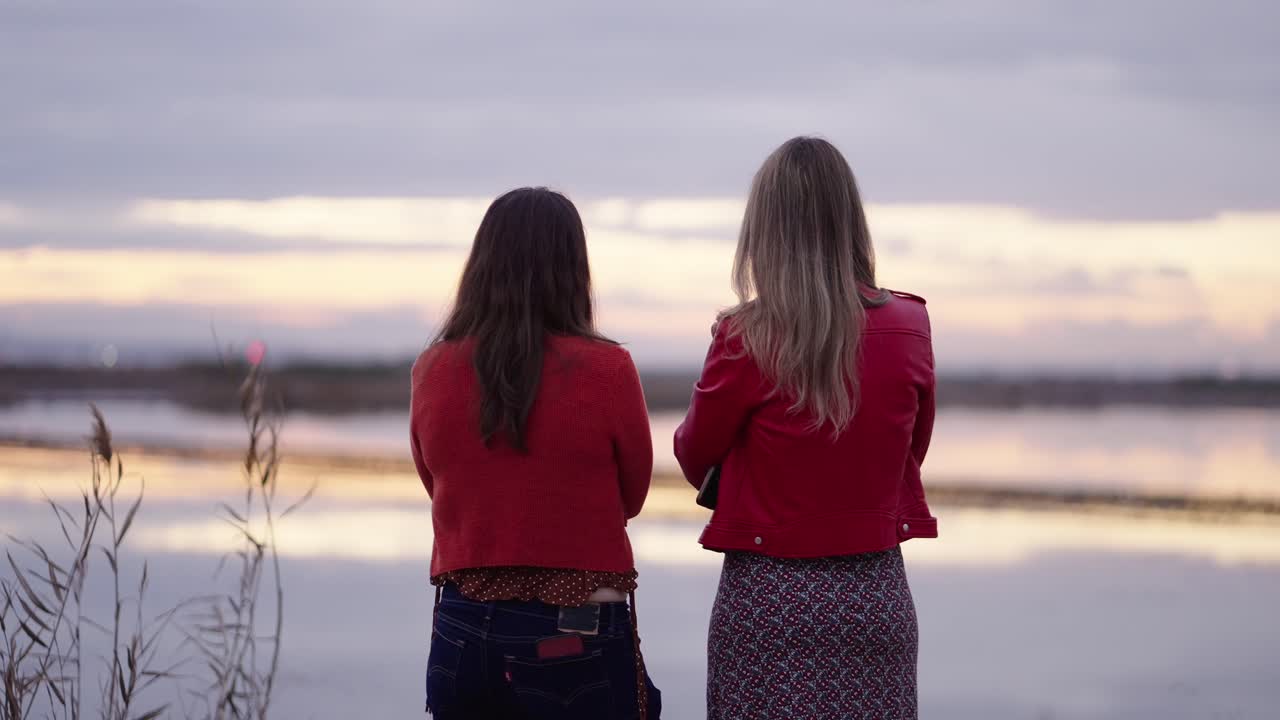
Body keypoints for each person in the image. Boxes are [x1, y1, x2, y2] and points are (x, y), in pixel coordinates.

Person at [674, 137, 938, 720]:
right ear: (850, 220)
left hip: (769, 600)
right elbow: (909, 451)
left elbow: (695, 454)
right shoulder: (910, 325)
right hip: (874, 597)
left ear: (764, 230)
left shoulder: (745, 336)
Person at [411, 187, 662, 719]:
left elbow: (438, 486)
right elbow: (632, 496)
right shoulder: (609, 369)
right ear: (573, 269)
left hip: (462, 623)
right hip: (575, 625)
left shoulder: (432, 369)